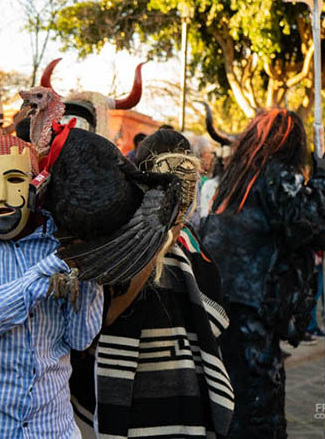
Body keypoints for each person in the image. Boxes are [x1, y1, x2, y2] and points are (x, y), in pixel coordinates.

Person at [71, 130, 233, 439]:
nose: (180, 196)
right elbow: (104, 316)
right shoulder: (120, 242)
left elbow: (210, 318)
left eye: (188, 185)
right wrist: (159, 240)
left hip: (184, 388)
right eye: (170, 184)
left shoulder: (191, 244)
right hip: (134, 389)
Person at [0, 135, 104, 438]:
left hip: (51, 427)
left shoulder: (61, 240)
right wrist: (56, 265)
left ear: (37, 185)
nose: (0, 196)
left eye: (14, 179)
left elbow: (81, 338)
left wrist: (87, 265)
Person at [200, 108, 325, 438]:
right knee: (256, 412)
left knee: (231, 401)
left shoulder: (237, 179)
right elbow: (324, 229)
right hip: (249, 312)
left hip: (223, 307)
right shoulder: (274, 174)